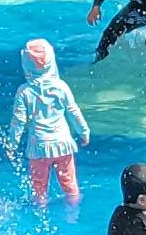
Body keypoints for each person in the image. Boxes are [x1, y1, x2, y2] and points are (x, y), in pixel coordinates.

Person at [9, 38, 91, 214]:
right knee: (70, 185)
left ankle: (41, 217)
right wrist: (84, 132)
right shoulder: (61, 87)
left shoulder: (24, 91)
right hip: (63, 144)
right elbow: (73, 112)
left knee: (39, 188)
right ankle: (73, 215)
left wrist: (12, 144)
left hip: (38, 147)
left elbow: (19, 121)